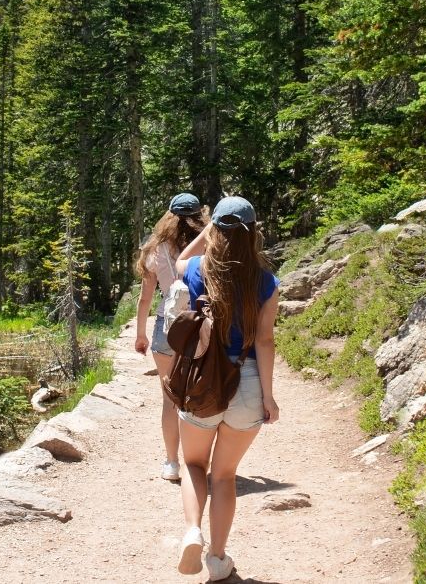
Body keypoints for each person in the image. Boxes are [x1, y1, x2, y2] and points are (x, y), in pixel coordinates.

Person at [171, 196, 280, 581]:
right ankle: (217, 560)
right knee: (225, 475)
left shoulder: (197, 269)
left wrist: (209, 229)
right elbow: (265, 342)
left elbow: (180, 258)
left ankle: (191, 531)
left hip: (203, 381)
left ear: (215, 230)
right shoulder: (266, 281)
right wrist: (268, 396)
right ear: (253, 235)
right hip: (247, 383)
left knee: (194, 464)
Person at [134, 192, 207, 482]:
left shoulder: (155, 249)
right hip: (201, 325)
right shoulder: (209, 244)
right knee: (199, 394)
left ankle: (171, 463)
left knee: (170, 400)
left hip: (167, 324)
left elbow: (145, 298)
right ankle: (197, 462)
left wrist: (140, 335)